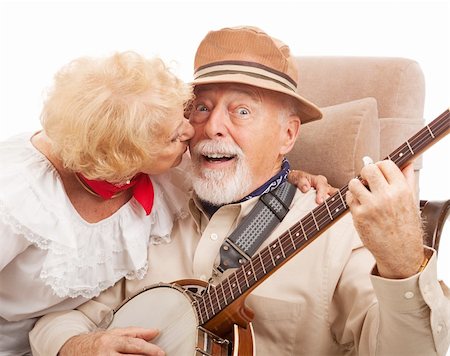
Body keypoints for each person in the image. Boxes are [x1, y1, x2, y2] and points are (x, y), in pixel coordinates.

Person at [30, 26, 449, 356]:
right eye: (202, 107)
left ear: (288, 134)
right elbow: (59, 318)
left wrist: (401, 262)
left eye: (241, 111)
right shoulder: (148, 210)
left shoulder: (341, 232)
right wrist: (79, 345)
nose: (212, 127)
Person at [0, 50, 331, 355]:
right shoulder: (16, 196)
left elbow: (247, 169)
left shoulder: (168, 176)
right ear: (128, 157)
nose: (195, 132)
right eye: (175, 135)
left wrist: (284, 177)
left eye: (185, 114)